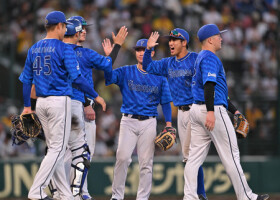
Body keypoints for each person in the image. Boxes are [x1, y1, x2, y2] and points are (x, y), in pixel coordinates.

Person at [19, 11, 104, 200]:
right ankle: (37, 190)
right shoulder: (65, 48)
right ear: (59, 26)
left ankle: (64, 195)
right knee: (58, 149)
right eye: (64, 26)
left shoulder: (34, 48)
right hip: (59, 102)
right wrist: (95, 96)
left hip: (40, 103)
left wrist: (27, 107)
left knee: (53, 149)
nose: (66, 29)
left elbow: (26, 81)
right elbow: (77, 79)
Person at [184, 23, 269, 200]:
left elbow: (218, 93)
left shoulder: (201, 57)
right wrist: (210, 112)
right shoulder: (210, 57)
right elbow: (209, 85)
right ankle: (246, 196)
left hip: (197, 109)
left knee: (194, 158)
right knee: (231, 155)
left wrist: (235, 111)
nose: (221, 38)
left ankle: (189, 197)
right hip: (211, 109)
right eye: (218, 36)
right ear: (210, 39)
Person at [48, 18, 127, 200]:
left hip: (59, 105)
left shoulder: (56, 51)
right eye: (81, 28)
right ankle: (77, 193)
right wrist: (116, 47)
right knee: (81, 153)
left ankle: (66, 192)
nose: (84, 31)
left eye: (84, 28)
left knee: (63, 152)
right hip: (79, 105)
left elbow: (107, 69)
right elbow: (104, 66)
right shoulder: (83, 53)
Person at [104, 39, 173, 200]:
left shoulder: (160, 76)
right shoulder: (126, 71)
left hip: (149, 122)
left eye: (144, 49)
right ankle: (117, 196)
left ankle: (142, 198)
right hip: (128, 120)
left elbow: (166, 103)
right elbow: (109, 78)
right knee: (122, 157)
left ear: (152, 53)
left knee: (146, 163)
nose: (141, 52)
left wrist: (169, 124)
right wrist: (109, 59)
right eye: (138, 50)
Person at [142, 29, 206, 199]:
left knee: (193, 156)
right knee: (187, 158)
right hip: (182, 113)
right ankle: (198, 194)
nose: (170, 43)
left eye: (175, 40)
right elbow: (147, 66)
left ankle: (199, 194)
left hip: (197, 109)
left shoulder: (195, 59)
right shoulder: (168, 63)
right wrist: (148, 49)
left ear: (184, 42)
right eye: (170, 39)